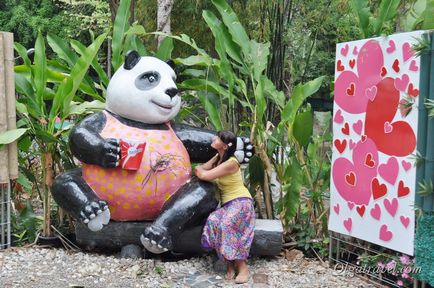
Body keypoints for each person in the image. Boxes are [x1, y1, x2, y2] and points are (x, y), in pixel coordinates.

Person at [195, 131, 255, 284]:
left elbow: (203, 174)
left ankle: (242, 267)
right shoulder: (220, 158)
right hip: (228, 204)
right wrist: (203, 168)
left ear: (225, 145)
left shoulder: (231, 163)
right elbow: (201, 169)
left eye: (218, 138)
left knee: (226, 225)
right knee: (213, 221)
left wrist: (200, 171)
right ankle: (229, 263)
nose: (214, 139)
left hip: (242, 202)